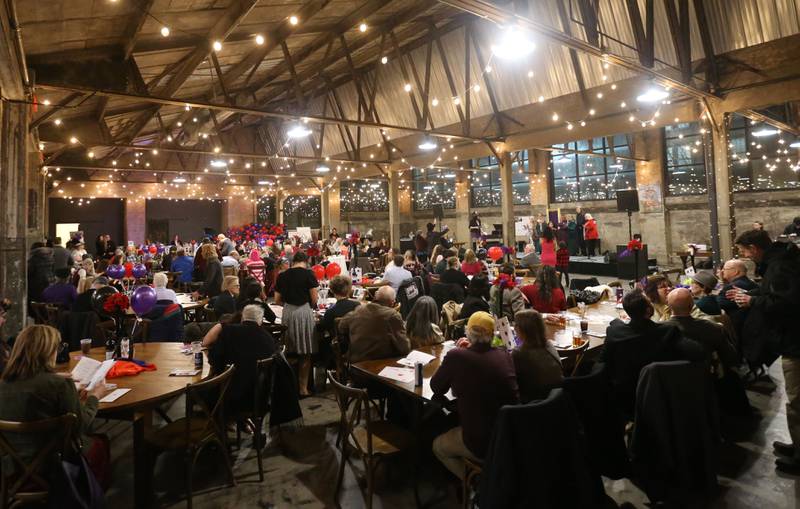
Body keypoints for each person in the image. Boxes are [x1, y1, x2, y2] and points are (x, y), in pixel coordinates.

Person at [726, 230, 800, 472]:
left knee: (797, 401)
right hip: (791, 340)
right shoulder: (780, 261)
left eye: (745, 251)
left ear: (755, 248)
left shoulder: (779, 266)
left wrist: (751, 302)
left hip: (795, 343)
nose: (745, 256)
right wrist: (752, 294)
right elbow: (774, 293)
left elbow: (785, 303)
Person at [0, 325, 107, 477]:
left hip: (12, 466)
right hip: (55, 465)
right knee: (100, 442)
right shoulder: (59, 385)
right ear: (48, 351)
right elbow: (80, 426)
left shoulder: (3, 385)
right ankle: (87, 497)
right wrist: (94, 396)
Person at [431, 312, 519, 479]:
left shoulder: (457, 355)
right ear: (492, 334)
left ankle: (477, 485)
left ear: (468, 332)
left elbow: (436, 386)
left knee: (438, 446)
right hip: (509, 436)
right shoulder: (504, 354)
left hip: (481, 442)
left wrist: (459, 353)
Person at [601, 289, 704, 418]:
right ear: (649, 311)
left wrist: (616, 323)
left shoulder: (614, 332)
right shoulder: (668, 331)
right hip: (661, 396)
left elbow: (602, 361)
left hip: (625, 398)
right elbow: (698, 352)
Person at [203, 305, 276, 414]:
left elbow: (214, 361)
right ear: (260, 321)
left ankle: (216, 425)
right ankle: (236, 423)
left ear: (242, 317)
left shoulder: (229, 331)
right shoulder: (269, 338)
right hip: (259, 398)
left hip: (227, 395)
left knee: (197, 391)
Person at [275, 251, 319, 397]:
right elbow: (314, 299)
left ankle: (288, 387)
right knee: (305, 352)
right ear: (306, 261)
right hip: (303, 311)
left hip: (288, 311)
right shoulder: (309, 274)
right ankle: (303, 388)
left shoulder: (282, 275)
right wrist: (310, 307)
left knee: (288, 349)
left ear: (293, 261)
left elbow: (277, 300)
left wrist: (288, 305)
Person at [666, 288, 737, 369]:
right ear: (692, 305)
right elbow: (731, 357)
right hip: (708, 377)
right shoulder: (712, 327)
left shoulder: (662, 330)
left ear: (668, 305)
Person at [338, 286, 410, 363]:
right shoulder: (392, 315)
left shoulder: (359, 309)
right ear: (392, 302)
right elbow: (404, 348)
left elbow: (341, 326)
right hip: (379, 363)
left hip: (356, 361)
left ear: (375, 296)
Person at [512, 310, 563, 403]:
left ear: (523, 329)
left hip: (533, 405)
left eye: (516, 325)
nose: (514, 328)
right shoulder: (549, 344)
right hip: (557, 401)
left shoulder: (519, 353)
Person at [717, 258, 757, 339]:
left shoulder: (733, 287)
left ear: (735, 271)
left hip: (740, 328)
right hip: (753, 326)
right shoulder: (752, 284)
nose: (722, 271)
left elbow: (718, 304)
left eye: (725, 269)